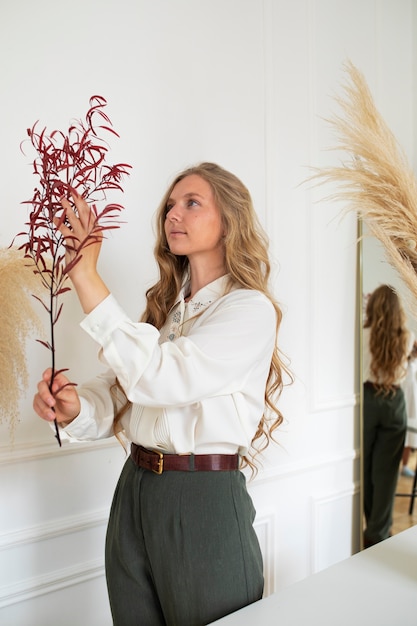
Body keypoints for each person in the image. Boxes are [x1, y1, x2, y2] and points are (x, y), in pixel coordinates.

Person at [33, 162, 290, 626]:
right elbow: (124, 394)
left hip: (201, 498)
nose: (174, 214)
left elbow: (162, 377)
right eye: (171, 204)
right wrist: (76, 407)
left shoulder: (249, 310)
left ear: (229, 219)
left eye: (192, 203)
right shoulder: (168, 310)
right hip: (134, 488)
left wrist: (86, 276)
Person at [362, 284, 414, 548]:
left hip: (368, 399)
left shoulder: (363, 334)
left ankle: (372, 527)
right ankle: (377, 532)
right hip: (394, 401)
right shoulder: (407, 336)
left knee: (366, 467)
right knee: (386, 472)